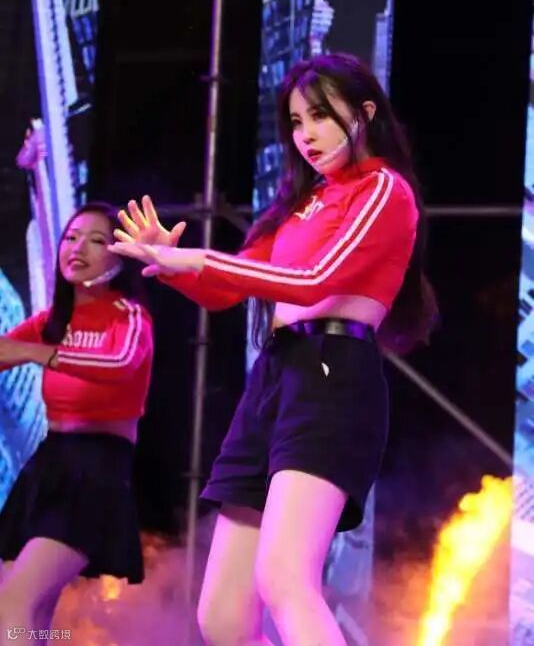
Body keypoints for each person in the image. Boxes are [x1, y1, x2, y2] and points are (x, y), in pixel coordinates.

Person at [111, 53, 438, 646]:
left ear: (365, 113)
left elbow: (315, 282)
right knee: (222, 617)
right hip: (274, 378)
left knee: (285, 578)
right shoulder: (301, 205)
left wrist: (196, 258)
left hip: (333, 376)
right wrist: (171, 262)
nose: (306, 135)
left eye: (320, 116)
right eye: (295, 122)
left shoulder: (383, 191)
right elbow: (227, 288)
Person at [0, 202, 153, 644]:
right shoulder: (54, 320)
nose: (78, 248)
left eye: (97, 240)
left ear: (120, 257)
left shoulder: (129, 316)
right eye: (71, 237)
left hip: (96, 469)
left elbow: (120, 363)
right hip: (49, 463)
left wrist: (38, 353)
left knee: (15, 601)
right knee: (28, 608)